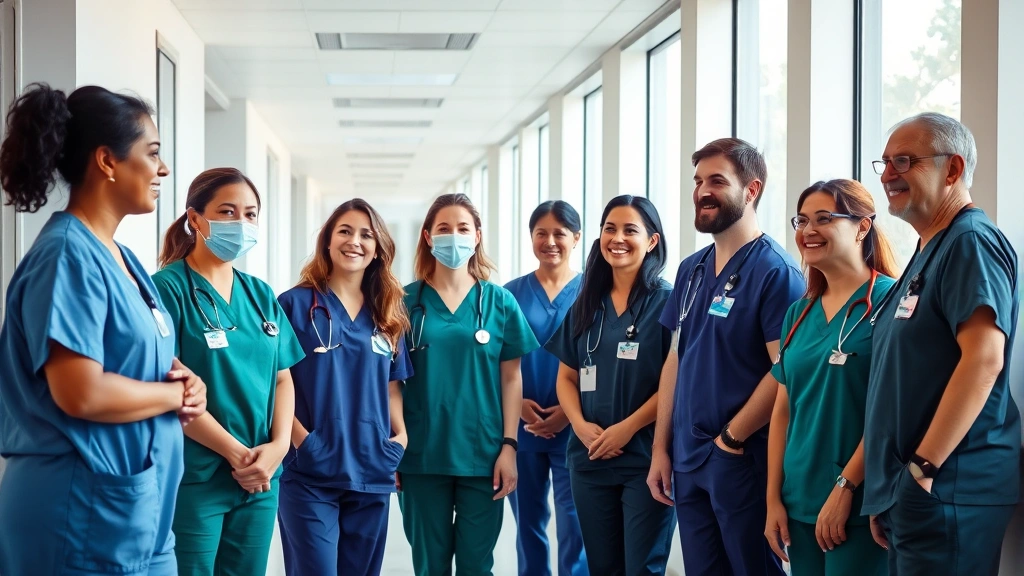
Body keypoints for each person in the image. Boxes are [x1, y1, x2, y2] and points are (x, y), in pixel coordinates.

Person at [0, 84, 207, 575]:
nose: (163, 169)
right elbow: (82, 392)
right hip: (81, 509)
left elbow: (144, 355)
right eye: (152, 153)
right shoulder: (67, 256)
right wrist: (172, 396)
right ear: (108, 161)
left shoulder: (124, 259)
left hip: (138, 509)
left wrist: (188, 381)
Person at [862, 112, 1020, 576]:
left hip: (947, 485)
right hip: (913, 489)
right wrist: (891, 487)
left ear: (952, 169)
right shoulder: (930, 247)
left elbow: (984, 359)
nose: (887, 175)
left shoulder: (970, 243)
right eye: (885, 162)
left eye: (904, 161)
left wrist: (922, 471)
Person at [648, 137, 804, 576]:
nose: (702, 191)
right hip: (688, 456)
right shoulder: (691, 269)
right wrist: (661, 447)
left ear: (751, 190)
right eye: (698, 181)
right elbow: (676, 357)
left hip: (740, 458)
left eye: (716, 181)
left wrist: (731, 439)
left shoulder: (776, 272)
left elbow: (785, 370)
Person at [153, 167, 304, 576]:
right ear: (195, 218)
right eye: (227, 211)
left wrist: (277, 448)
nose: (241, 223)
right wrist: (238, 455)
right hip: (198, 476)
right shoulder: (167, 289)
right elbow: (168, 387)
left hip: (261, 477)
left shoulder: (260, 294)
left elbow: (282, 377)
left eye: (250, 214)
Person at [398, 193, 538, 576]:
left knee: (477, 566)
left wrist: (510, 446)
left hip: (484, 455)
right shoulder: (403, 303)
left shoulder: (499, 302)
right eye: (444, 228)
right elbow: (387, 382)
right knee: (430, 567)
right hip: (421, 455)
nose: (454, 236)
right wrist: (391, 447)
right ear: (428, 236)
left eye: (463, 228)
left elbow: (511, 378)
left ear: (477, 236)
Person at [764, 179, 898, 576]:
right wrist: (772, 498)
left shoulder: (891, 303)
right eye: (802, 220)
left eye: (824, 219)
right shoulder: (798, 312)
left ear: (862, 227)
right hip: (798, 501)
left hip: (857, 505)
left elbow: (894, 410)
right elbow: (783, 410)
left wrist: (846, 486)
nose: (808, 230)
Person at [276, 199, 413, 576]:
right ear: (327, 241)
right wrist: (302, 440)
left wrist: (399, 437)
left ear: (378, 248)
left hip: (372, 466)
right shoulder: (294, 304)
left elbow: (392, 383)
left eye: (366, 235)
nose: (355, 241)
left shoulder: (388, 312)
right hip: (310, 470)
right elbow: (274, 382)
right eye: (345, 231)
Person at [546, 195, 676, 576]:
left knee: (642, 568)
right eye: (610, 229)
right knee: (602, 568)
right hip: (590, 459)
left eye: (630, 230)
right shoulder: (587, 302)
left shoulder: (667, 302)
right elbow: (567, 376)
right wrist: (579, 425)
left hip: (646, 459)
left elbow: (675, 383)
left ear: (652, 241)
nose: (617, 238)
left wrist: (627, 428)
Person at [504, 201, 588, 576]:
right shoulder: (509, 295)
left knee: (576, 525)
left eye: (560, 233)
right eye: (542, 233)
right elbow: (496, 359)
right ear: (531, 237)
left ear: (576, 238)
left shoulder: (594, 292)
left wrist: (569, 413)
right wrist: (517, 403)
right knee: (528, 524)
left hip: (576, 427)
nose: (550, 241)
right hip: (522, 428)